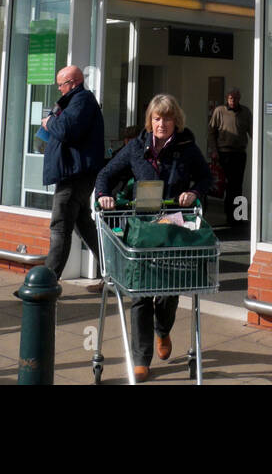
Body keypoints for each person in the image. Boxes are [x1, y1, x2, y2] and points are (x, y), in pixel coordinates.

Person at [96, 94, 212, 382]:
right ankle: (141, 358)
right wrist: (104, 195)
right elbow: (106, 174)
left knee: (170, 287)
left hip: (173, 226)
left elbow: (206, 178)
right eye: (157, 118)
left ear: (176, 121)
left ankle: (162, 330)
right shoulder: (136, 148)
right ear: (150, 120)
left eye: (167, 118)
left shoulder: (187, 148)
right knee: (140, 292)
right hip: (143, 230)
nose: (162, 124)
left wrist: (194, 193)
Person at [39, 65, 104, 280]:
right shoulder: (75, 101)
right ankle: (113, 271)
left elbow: (67, 131)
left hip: (75, 175)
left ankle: (46, 282)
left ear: (73, 82)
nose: (59, 89)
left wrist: (50, 123)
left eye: (61, 85)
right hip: (75, 172)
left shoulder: (82, 100)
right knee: (83, 223)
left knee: (59, 226)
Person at [208, 87, 252, 231]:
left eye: (236, 98)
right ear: (227, 98)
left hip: (239, 153)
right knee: (226, 185)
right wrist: (214, 151)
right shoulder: (219, 111)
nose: (233, 101)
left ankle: (238, 217)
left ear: (240, 98)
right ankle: (229, 216)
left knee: (237, 186)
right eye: (231, 98)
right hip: (224, 153)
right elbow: (212, 132)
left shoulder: (245, 112)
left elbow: (252, 131)